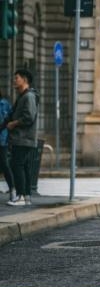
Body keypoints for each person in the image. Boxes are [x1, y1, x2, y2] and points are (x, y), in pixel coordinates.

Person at [6, 69, 39, 207]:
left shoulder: (28, 96)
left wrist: (14, 123)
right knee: (23, 166)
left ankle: (20, 196)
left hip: (23, 138)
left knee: (17, 165)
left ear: (24, 80)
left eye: (17, 78)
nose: (14, 81)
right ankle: (26, 197)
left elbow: (29, 117)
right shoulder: (23, 96)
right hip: (22, 138)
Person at [0, 88, 15, 201]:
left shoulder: (5, 104)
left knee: (5, 164)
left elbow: (10, 121)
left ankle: (12, 189)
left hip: (3, 139)